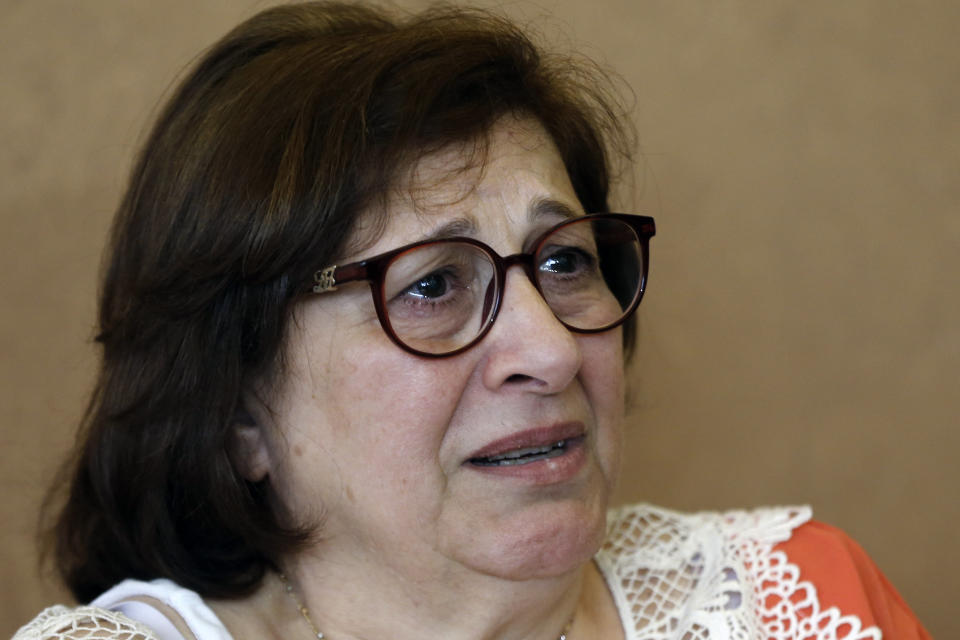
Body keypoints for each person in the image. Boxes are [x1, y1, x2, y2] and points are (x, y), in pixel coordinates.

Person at [14, 3, 929, 639]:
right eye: (432, 287)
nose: (552, 347)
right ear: (237, 413)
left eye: (565, 261)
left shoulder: (799, 600)